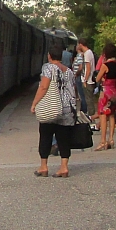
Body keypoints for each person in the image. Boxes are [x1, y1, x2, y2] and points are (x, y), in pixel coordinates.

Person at [30, 44, 78, 178]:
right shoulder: (69, 71)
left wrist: (34, 103)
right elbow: (73, 89)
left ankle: (44, 167)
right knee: (64, 138)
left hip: (51, 108)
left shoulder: (48, 68)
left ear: (49, 56)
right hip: (67, 109)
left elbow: (44, 87)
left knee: (45, 136)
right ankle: (64, 167)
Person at [94, 42, 116, 151]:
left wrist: (103, 78)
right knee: (112, 115)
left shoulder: (106, 65)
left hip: (105, 92)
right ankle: (111, 139)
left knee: (103, 115)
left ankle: (103, 141)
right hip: (114, 91)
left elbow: (97, 78)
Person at [78, 37, 97, 117]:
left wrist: (85, 80)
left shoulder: (87, 54)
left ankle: (91, 116)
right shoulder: (88, 53)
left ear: (81, 44)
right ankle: (90, 115)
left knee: (89, 100)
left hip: (88, 81)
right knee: (88, 99)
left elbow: (88, 69)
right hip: (88, 80)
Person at [72, 44, 87, 112]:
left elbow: (80, 67)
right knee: (81, 95)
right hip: (78, 77)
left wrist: (76, 74)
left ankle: (83, 110)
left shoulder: (80, 56)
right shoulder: (79, 56)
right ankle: (83, 109)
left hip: (79, 77)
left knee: (81, 95)